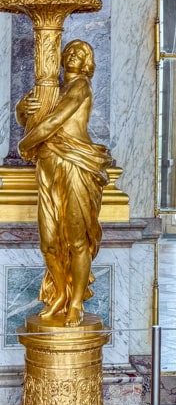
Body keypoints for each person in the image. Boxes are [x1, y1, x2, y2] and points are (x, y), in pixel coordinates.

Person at [16, 40, 111, 326]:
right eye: (69, 49)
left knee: (76, 240)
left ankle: (76, 302)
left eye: (82, 52)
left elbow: (52, 122)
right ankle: (59, 294)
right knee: (49, 242)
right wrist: (22, 108)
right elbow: (33, 119)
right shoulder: (50, 90)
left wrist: (24, 146)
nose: (73, 53)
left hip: (75, 166)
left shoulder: (80, 86)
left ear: (87, 63)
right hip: (48, 166)